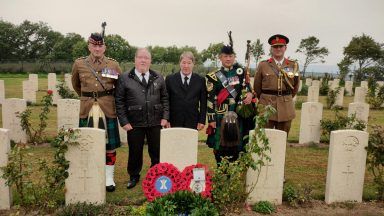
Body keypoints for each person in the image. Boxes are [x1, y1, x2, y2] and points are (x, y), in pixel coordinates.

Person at [71, 32, 121, 192]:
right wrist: (88, 98)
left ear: (104, 47)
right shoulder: (79, 64)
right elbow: (76, 85)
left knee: (110, 145)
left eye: (100, 45)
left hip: (107, 108)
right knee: (87, 143)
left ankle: (108, 178)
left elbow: (119, 87)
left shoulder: (112, 65)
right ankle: (90, 173)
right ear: (89, 46)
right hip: (87, 109)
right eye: (94, 45)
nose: (97, 48)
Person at [115, 48, 169, 189]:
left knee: (156, 150)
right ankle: (134, 176)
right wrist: (124, 121)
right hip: (134, 122)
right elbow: (119, 101)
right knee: (135, 151)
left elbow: (165, 98)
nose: (143, 60)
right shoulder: (125, 78)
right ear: (135, 59)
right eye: (140, 57)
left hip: (155, 121)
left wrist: (165, 117)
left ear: (150, 61)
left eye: (146, 58)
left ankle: (155, 174)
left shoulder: (158, 77)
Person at [205, 33, 253, 164]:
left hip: (237, 113)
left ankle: (234, 172)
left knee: (237, 145)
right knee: (220, 146)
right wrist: (211, 119)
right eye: (225, 56)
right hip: (220, 115)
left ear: (234, 57)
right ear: (220, 58)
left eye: (230, 56)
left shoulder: (241, 72)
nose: (228, 59)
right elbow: (210, 100)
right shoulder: (213, 76)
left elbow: (248, 88)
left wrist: (250, 94)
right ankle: (221, 171)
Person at [253, 34, 300, 134]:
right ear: (271, 48)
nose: (278, 49)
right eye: (275, 46)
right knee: (265, 137)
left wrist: (286, 97)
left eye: (280, 46)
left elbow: (295, 86)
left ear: (285, 48)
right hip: (266, 105)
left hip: (286, 107)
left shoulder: (293, 65)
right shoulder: (263, 65)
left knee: (282, 139)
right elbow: (257, 87)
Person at [165, 51, 207, 130]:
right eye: (183, 63)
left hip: (193, 121)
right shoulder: (170, 79)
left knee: (190, 142)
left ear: (193, 64)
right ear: (179, 63)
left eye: (189, 63)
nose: (186, 66)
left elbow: (203, 103)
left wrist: (202, 120)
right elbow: (166, 101)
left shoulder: (200, 80)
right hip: (173, 121)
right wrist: (166, 119)